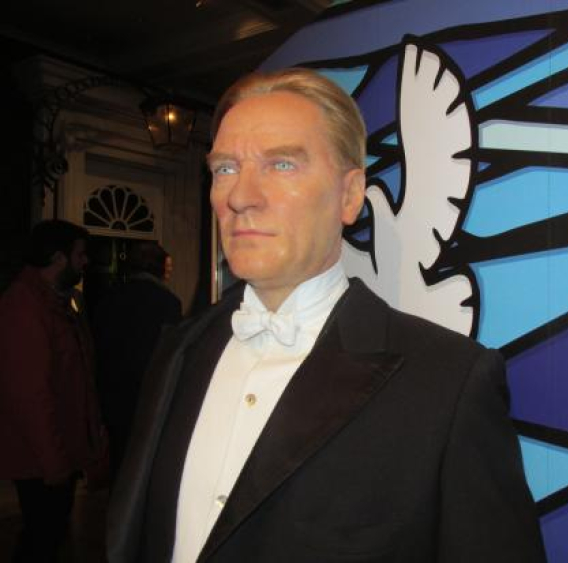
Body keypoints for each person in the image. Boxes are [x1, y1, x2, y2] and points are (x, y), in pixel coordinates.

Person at [107, 68, 545, 562]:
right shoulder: (178, 352)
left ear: (350, 196)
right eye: (225, 168)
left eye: (281, 164)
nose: (239, 196)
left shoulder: (448, 384)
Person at [0, 219, 103, 563]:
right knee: (41, 538)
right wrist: (54, 463)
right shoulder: (24, 305)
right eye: (80, 254)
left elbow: (78, 375)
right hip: (42, 459)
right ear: (58, 257)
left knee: (51, 534)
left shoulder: (63, 301)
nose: (85, 262)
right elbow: (30, 394)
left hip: (61, 450)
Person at [93, 241, 182, 482]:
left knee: (120, 458)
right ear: (159, 267)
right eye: (168, 267)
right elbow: (170, 353)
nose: (169, 273)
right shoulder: (167, 302)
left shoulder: (110, 297)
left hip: (113, 392)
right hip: (150, 394)